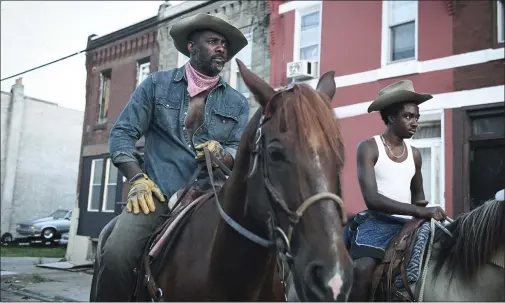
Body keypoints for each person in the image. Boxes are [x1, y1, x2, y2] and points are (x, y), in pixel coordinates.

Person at [92, 13, 250, 301]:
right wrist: (137, 178)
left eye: (225, 45)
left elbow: (241, 149)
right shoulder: (156, 85)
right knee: (116, 254)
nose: (221, 49)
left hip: (213, 199)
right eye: (213, 41)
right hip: (157, 195)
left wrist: (223, 154)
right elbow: (122, 134)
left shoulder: (238, 102)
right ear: (191, 46)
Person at [345, 80, 447, 301]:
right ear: (392, 118)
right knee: (362, 270)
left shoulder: (415, 154)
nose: (415, 122)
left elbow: (419, 199)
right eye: (408, 117)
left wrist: (429, 214)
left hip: (410, 225)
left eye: (417, 117)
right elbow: (372, 199)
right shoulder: (369, 147)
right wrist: (422, 212)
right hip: (377, 222)